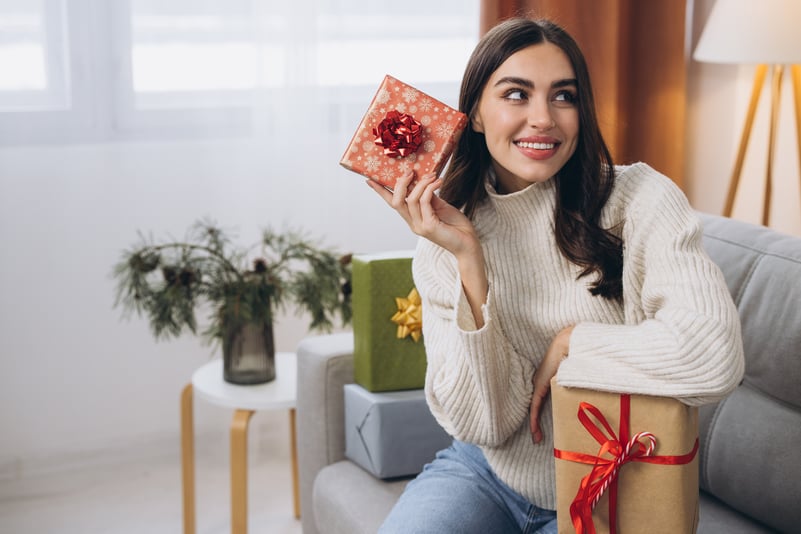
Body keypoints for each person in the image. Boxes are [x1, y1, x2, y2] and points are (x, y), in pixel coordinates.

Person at [366, 17, 744, 534]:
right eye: (516, 94)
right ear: (474, 113)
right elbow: (485, 426)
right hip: (486, 474)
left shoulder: (641, 200)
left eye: (562, 96)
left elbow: (714, 355)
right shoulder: (445, 237)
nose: (542, 118)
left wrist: (573, 344)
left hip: (614, 484)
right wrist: (470, 263)